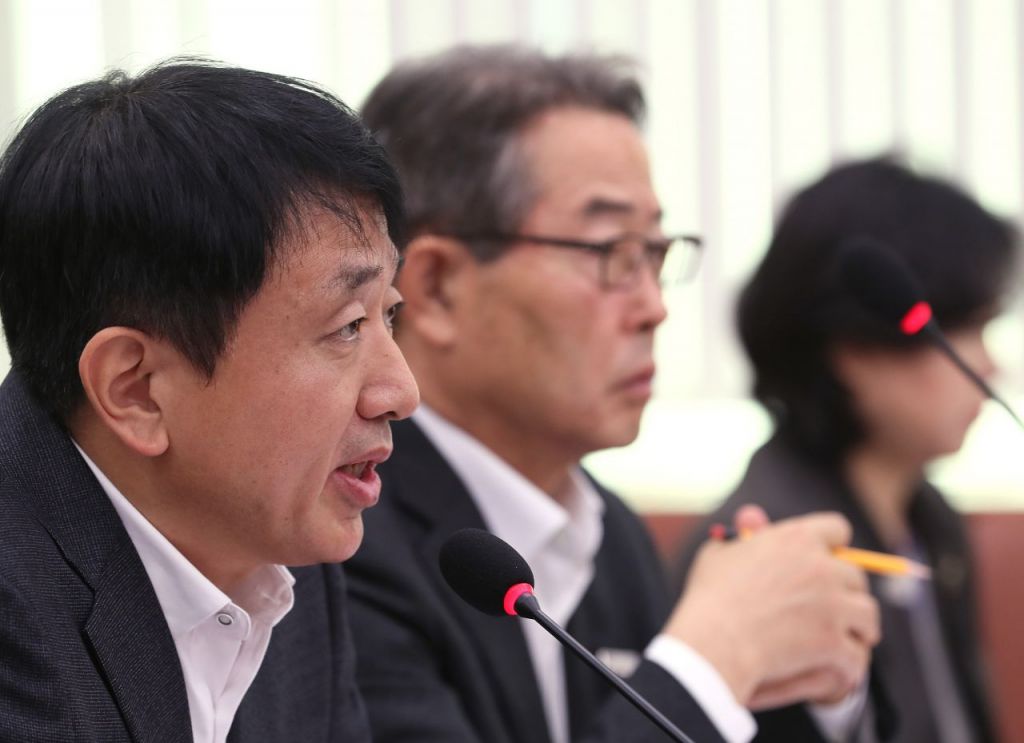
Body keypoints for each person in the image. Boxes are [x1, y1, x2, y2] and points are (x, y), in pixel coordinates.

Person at [344, 45, 880, 743]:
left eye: (655, 253)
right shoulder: (344, 537)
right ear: (438, 287)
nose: (655, 307)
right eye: (611, 253)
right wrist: (711, 659)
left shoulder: (610, 530)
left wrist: (816, 676)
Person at [0, 60, 419, 742]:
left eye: (388, 314)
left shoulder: (280, 560)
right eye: (347, 326)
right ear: (136, 389)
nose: (401, 392)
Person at [675, 157, 1017, 742]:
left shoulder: (932, 522)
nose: (989, 367)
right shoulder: (769, 552)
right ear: (853, 348)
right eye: (962, 331)